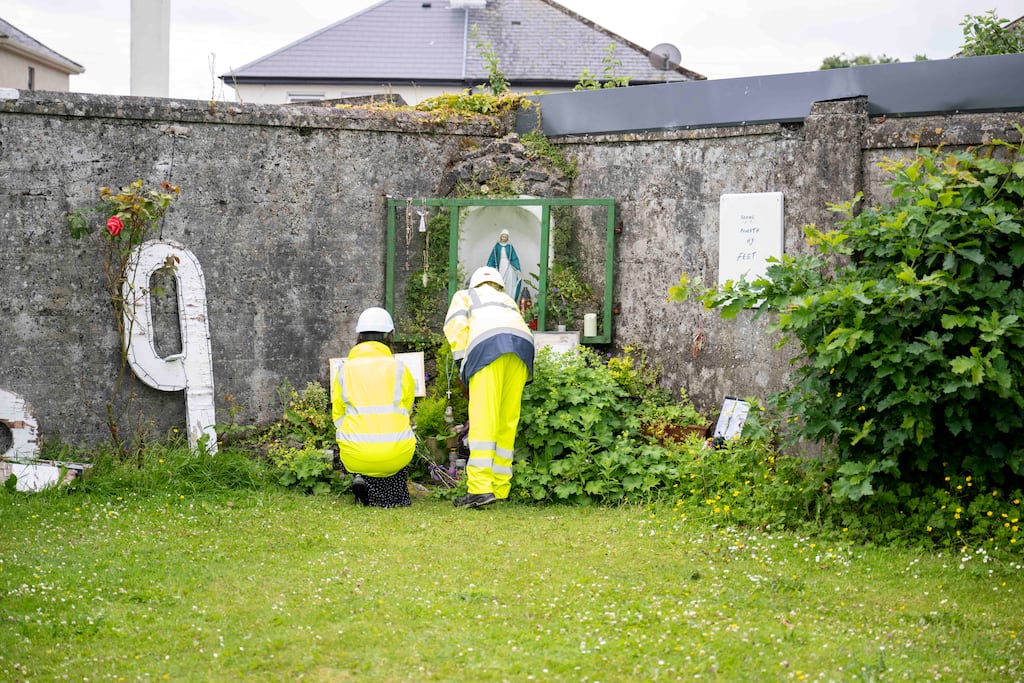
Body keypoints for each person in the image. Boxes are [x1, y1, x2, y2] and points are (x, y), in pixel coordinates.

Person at [443, 266, 535, 508]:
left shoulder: (466, 296)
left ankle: (480, 489)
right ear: (499, 284)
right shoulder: (506, 299)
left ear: (474, 283)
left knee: (484, 420)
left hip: (488, 348)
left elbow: (455, 327)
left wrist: (463, 365)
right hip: (522, 350)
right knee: (507, 419)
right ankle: (500, 487)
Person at [331, 307, 416, 508]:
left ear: (359, 336)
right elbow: (407, 410)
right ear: (389, 336)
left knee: (353, 441)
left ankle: (361, 479)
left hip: (355, 454)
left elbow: (338, 417)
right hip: (395, 454)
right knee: (394, 451)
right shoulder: (400, 369)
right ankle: (391, 496)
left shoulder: (344, 370)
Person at [486, 229, 523, 302]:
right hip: (500, 266)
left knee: (509, 283)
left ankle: (508, 297)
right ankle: (499, 300)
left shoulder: (510, 247)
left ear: (507, 237)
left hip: (508, 267)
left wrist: (518, 269)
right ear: (500, 237)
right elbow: (492, 258)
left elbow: (514, 258)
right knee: (499, 281)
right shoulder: (497, 246)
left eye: (505, 236)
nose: (504, 237)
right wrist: (488, 268)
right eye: (503, 236)